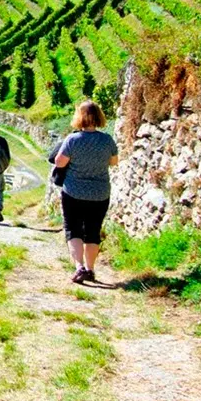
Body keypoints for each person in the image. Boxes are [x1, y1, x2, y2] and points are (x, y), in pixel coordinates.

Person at [55, 100, 118, 284]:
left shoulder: (73, 140)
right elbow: (113, 162)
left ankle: (79, 267)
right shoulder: (107, 140)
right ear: (99, 116)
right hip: (100, 193)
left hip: (73, 192)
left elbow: (59, 162)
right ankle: (90, 270)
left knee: (73, 229)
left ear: (79, 117)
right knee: (93, 230)